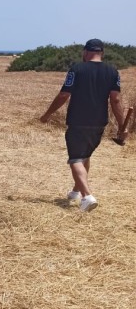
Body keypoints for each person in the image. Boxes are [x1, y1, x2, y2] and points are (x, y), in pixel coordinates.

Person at [40, 38, 129, 212]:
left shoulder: (77, 69)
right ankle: (75, 191)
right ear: (101, 53)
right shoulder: (112, 71)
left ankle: (87, 196)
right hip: (99, 122)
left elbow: (64, 95)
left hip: (78, 120)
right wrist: (121, 125)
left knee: (75, 158)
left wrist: (47, 115)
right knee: (85, 156)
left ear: (85, 52)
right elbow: (116, 100)